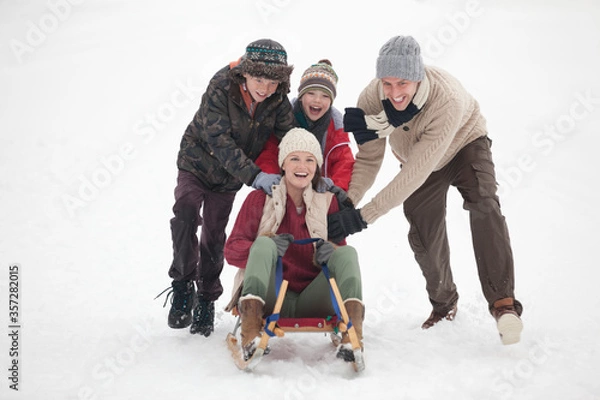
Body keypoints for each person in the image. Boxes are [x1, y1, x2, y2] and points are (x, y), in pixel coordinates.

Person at [328, 35, 523, 345]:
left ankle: (504, 304)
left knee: (484, 203)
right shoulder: (371, 98)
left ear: (418, 78)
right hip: (415, 157)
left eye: (402, 83)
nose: (394, 93)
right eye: (387, 84)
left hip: (464, 144)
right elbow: (369, 159)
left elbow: (417, 171)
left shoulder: (446, 100)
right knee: (422, 225)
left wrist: (365, 217)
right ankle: (444, 303)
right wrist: (349, 203)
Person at [164, 38, 295, 337]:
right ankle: (183, 283)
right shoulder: (221, 85)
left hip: (229, 179)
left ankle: (207, 299)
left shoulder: (278, 99)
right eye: (259, 79)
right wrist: (255, 175)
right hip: (197, 162)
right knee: (185, 211)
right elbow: (217, 138)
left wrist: (303, 170)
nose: (265, 88)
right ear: (245, 74)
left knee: (214, 233)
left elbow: (289, 136)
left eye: (273, 82)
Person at [224, 127, 364, 361]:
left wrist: (330, 252)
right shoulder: (259, 199)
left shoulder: (328, 202)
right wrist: (267, 250)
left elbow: (341, 259)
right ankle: (250, 333)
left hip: (314, 298)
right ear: (283, 164)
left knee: (348, 253)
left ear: (317, 166)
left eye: (310, 160)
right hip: (268, 296)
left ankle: (353, 336)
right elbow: (231, 251)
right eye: (295, 159)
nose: (302, 167)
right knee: (263, 244)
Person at [255, 59, 355, 191]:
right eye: (311, 93)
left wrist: (335, 188)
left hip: (318, 193)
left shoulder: (335, 128)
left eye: (325, 96)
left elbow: (344, 163)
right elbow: (270, 151)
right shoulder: (284, 118)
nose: (317, 100)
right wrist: (272, 179)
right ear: (301, 96)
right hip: (284, 187)